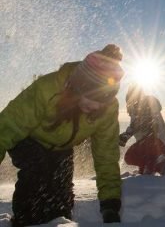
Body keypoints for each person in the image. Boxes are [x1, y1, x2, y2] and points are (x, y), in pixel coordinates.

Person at [0, 44, 125, 226]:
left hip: (62, 148)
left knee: (61, 190)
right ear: (78, 87)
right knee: (38, 172)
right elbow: (6, 127)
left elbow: (106, 155)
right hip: (28, 139)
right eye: (93, 98)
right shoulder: (48, 89)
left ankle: (61, 222)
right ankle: (24, 222)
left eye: (103, 101)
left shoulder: (107, 110)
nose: (96, 107)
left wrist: (110, 203)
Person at [119, 85, 165, 176]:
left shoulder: (146, 104)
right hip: (150, 145)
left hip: (155, 142)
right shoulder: (137, 110)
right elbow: (137, 125)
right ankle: (158, 166)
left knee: (130, 155)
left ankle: (162, 165)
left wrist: (127, 135)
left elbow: (144, 123)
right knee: (130, 157)